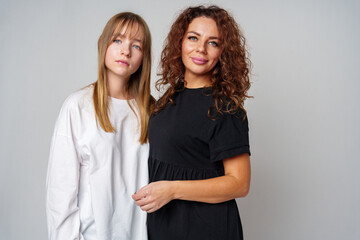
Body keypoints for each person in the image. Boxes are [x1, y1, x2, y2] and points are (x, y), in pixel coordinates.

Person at [132, 5, 251, 240]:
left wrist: (172, 190)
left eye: (213, 42)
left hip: (206, 229)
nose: (201, 49)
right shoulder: (168, 99)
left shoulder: (226, 109)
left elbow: (240, 183)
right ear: (180, 42)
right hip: (165, 227)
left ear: (223, 53)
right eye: (193, 38)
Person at [46, 12, 153, 240]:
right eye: (118, 40)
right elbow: (60, 191)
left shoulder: (152, 111)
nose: (126, 51)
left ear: (144, 57)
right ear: (102, 44)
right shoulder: (78, 105)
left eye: (136, 46)